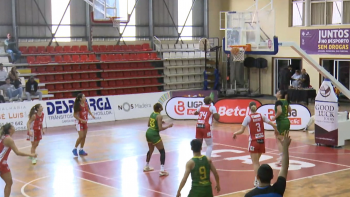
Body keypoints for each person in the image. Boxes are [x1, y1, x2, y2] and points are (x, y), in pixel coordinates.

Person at [233, 101, 278, 187]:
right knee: (257, 162)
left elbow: (241, 130)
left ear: (249, 108)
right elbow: (272, 124)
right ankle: (257, 179)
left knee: (256, 163)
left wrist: (235, 133)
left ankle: (258, 181)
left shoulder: (248, 117)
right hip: (262, 141)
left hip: (254, 142)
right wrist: (276, 130)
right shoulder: (261, 116)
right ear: (256, 107)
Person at [244, 131, 291, 197]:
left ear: (257, 177)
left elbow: (284, 167)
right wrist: (285, 147)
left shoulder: (249, 195)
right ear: (272, 176)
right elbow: (284, 167)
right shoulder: (278, 189)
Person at [0, 123, 37, 197]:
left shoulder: (3, 137)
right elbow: (17, 152)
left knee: (9, 182)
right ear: (10, 129)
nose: (14, 128)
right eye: (13, 127)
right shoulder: (9, 139)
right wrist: (31, 155)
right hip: (1, 163)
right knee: (9, 182)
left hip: (2, 163)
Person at [143, 103, 173, 176]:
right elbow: (160, 128)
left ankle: (146, 166)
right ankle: (162, 170)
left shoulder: (152, 114)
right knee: (162, 151)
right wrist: (168, 126)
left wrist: (159, 122)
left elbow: (148, 125)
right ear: (160, 108)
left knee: (151, 150)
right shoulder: (159, 116)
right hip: (154, 134)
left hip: (148, 132)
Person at [271, 90, 291, 166]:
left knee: (279, 139)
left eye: (277, 92)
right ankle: (285, 157)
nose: (276, 93)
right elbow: (290, 110)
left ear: (280, 95)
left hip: (281, 122)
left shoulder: (278, 102)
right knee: (284, 140)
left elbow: (279, 111)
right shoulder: (285, 101)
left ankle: (281, 158)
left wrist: (274, 117)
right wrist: (285, 115)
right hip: (287, 121)